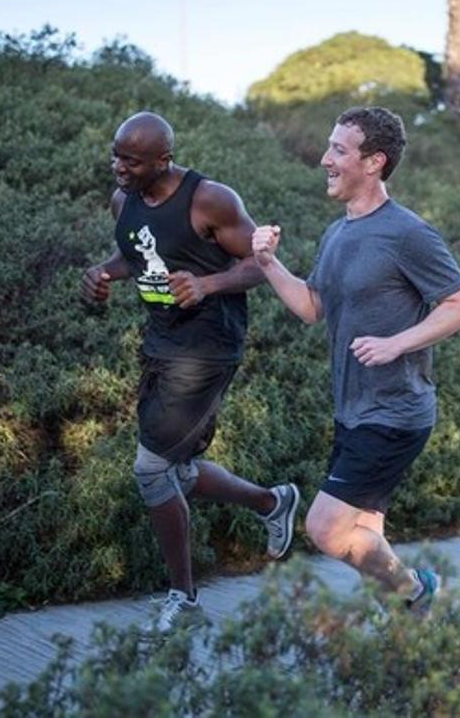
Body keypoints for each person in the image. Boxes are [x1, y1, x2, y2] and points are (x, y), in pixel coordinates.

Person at [251, 106, 460, 611]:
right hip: (353, 408)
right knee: (365, 530)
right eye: (328, 147)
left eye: (338, 150)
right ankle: (407, 620)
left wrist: (398, 343)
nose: (324, 159)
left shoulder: (408, 233)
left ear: (374, 162)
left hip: (395, 411)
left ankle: (419, 592)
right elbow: (312, 306)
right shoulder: (337, 233)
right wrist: (267, 263)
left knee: (326, 529)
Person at [81, 111, 299, 634]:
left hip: (207, 348)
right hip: (161, 341)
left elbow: (261, 263)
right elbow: (138, 254)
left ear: (164, 159)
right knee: (175, 471)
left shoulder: (210, 200)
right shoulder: (124, 199)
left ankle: (184, 601)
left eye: (132, 161)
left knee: (151, 470)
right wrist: (104, 273)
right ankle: (273, 502)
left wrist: (207, 285)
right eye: (116, 156)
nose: (120, 168)